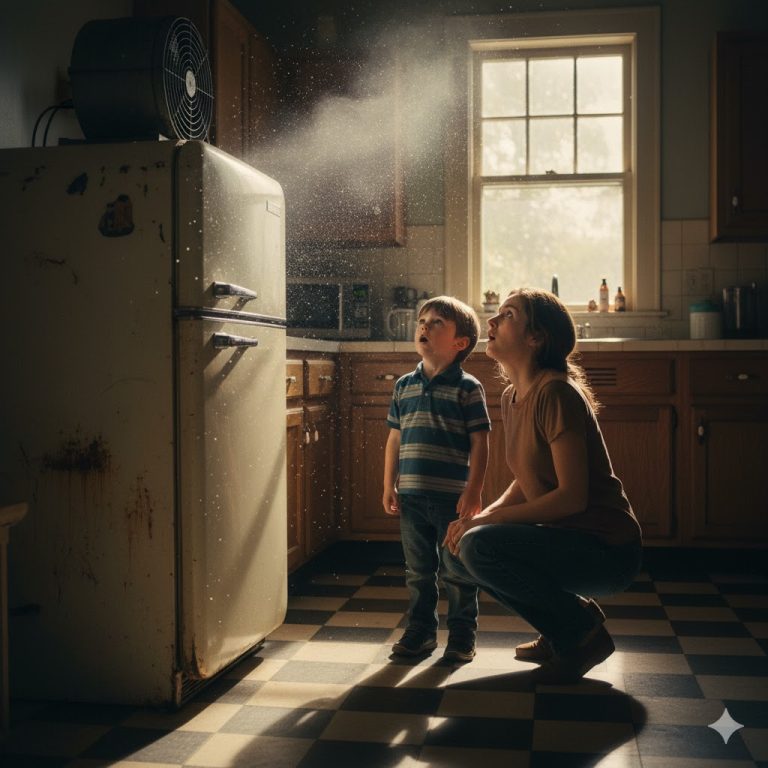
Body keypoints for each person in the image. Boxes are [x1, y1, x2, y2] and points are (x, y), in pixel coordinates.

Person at [442, 288, 642, 682]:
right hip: (566, 540)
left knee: (478, 546)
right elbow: (526, 478)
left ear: (536, 337)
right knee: (454, 553)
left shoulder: (557, 393)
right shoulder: (512, 396)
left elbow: (571, 497)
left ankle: (581, 634)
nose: (492, 322)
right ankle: (564, 627)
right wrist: (480, 517)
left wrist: (487, 523)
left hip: (607, 551)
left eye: (509, 315)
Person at [383, 296, 491, 662]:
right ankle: (421, 631)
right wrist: (388, 484)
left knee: (457, 571)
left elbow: (480, 442)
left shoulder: (468, 388)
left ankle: (462, 635)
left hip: (452, 498)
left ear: (460, 343)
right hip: (411, 496)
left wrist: (474, 490)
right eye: (422, 320)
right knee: (418, 571)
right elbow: (393, 440)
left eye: (436, 323)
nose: (424, 326)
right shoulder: (403, 386)